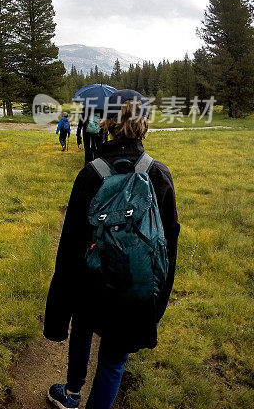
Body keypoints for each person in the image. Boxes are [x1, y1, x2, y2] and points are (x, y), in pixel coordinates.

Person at [43, 90, 180, 409]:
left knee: (82, 328)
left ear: (107, 122)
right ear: (145, 123)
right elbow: (167, 249)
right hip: (135, 290)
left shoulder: (91, 173)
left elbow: (70, 247)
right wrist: (155, 308)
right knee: (113, 361)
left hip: (90, 287)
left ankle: (72, 393)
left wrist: (58, 311)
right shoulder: (158, 174)